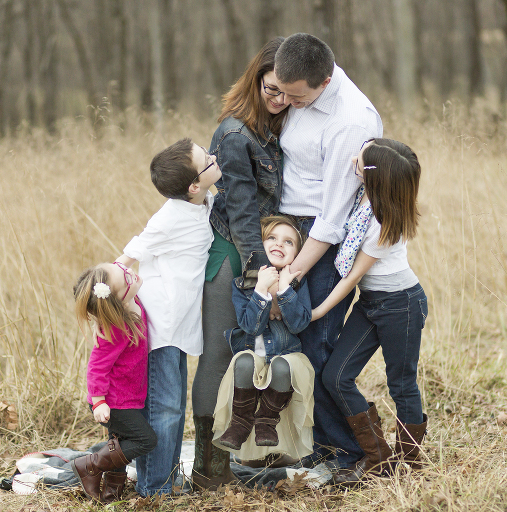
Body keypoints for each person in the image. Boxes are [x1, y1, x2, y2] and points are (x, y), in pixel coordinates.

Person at [272, 33, 383, 469]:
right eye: (282, 90)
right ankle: (311, 443)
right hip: (292, 229)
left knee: (316, 345)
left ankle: (348, 451)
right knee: (292, 346)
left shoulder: (351, 122)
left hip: (322, 243)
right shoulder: (299, 89)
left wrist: (292, 275)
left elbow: (333, 220)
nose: (287, 101)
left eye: (296, 96)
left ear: (324, 81)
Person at [191, 37, 291, 490]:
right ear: (256, 80)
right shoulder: (235, 135)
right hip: (233, 255)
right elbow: (242, 211)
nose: (280, 98)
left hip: (260, 253)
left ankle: (240, 455)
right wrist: (258, 270)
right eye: (272, 88)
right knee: (218, 354)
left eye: (288, 91)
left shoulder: (276, 126)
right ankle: (208, 470)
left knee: (244, 357)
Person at [315, 139, 427, 484]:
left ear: (374, 177)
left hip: (401, 304)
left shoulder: (382, 223)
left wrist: (316, 312)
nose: (353, 160)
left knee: (401, 383)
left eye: (359, 160)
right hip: (372, 303)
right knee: (335, 375)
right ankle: (376, 455)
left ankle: (409, 461)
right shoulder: (362, 198)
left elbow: (351, 277)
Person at [115, 138, 221, 496]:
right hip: (162, 321)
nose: (214, 157)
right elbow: (129, 255)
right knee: (166, 407)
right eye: (207, 160)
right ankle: (155, 489)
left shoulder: (204, 200)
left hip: (180, 321)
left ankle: (165, 477)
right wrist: (115, 296)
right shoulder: (170, 216)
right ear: (193, 185)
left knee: (171, 405)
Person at [213, 216, 314, 461]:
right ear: (260, 243)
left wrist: (285, 292)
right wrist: (260, 292)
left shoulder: (298, 285)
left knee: (282, 365)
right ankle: (241, 420)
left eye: (288, 242)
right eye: (271, 238)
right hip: (254, 353)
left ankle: (267, 420)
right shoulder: (243, 285)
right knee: (243, 362)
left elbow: (300, 323)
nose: (279, 244)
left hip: (285, 355)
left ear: (297, 253)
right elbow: (250, 326)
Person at [70, 262, 157, 503]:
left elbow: (125, 272)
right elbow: (97, 366)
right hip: (114, 402)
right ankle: (90, 465)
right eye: (126, 280)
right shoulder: (115, 327)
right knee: (145, 440)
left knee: (117, 444)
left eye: (124, 269)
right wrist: (98, 401)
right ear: (117, 299)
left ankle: (111, 495)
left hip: (128, 397)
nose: (131, 274)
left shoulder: (134, 304)